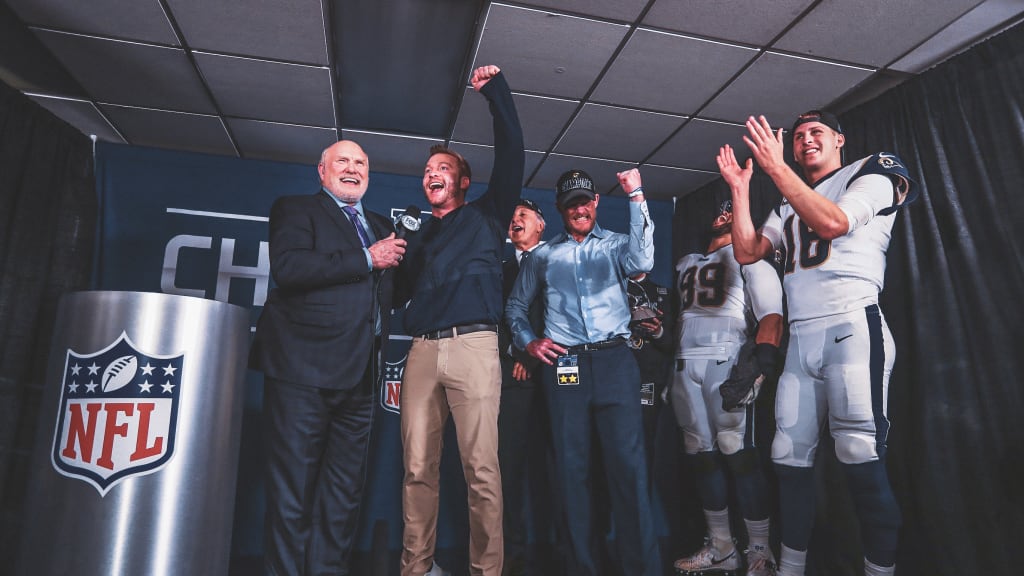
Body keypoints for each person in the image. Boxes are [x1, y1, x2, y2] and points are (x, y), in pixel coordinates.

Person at [720, 110, 918, 576]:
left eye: (817, 133)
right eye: (800, 135)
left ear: (839, 140)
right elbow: (748, 251)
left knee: (859, 456)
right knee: (787, 461)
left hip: (853, 328)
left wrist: (775, 169)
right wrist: (741, 190)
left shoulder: (873, 168)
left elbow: (833, 222)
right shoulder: (786, 203)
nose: (807, 140)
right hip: (802, 338)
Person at [250, 139, 407, 575]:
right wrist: (365, 258)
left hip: (360, 376)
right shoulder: (296, 209)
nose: (353, 168)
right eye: (343, 161)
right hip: (303, 372)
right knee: (291, 493)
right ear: (322, 172)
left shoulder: (380, 224)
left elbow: (390, 294)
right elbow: (290, 269)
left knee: (343, 496)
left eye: (361, 163)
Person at [395, 64, 524, 576]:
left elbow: (512, 147)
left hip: (474, 348)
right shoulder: (418, 236)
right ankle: (416, 567)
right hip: (423, 350)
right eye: (429, 171)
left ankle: (485, 572)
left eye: (444, 169)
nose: (433, 174)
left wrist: (494, 92)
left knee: (481, 472)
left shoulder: (489, 215)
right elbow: (395, 295)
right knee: (417, 471)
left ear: (463, 181)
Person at [506, 168, 660, 576]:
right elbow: (515, 308)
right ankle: (582, 569)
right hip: (565, 367)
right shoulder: (543, 255)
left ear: (595, 203)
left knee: (628, 471)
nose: (579, 208)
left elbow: (644, 259)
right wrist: (528, 342)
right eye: (571, 202)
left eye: (585, 201)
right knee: (572, 474)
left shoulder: (615, 246)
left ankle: (641, 568)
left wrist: (636, 196)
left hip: (614, 362)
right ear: (560, 209)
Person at [669, 199, 784, 576]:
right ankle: (720, 547)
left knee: (739, 454)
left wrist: (761, 366)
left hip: (726, 358)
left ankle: (760, 551)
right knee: (700, 455)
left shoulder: (749, 260)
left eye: (730, 212)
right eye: (718, 211)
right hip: (686, 364)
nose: (722, 216)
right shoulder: (685, 263)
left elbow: (770, 313)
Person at [497, 198, 553, 575]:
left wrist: (529, 356)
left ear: (541, 224)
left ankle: (558, 548)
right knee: (508, 470)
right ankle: (511, 551)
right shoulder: (497, 267)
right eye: (512, 216)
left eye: (523, 215)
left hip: (550, 377)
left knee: (554, 466)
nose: (516, 220)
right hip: (508, 382)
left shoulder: (558, 262)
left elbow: (561, 312)